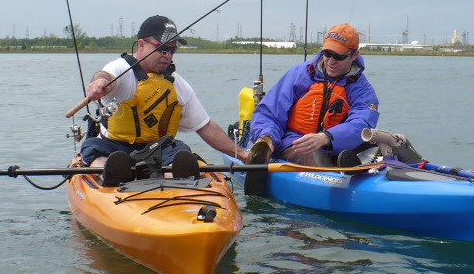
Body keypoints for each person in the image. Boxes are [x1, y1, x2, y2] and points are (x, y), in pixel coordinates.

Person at [79, 15, 249, 172]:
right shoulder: (121, 69)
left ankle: (177, 182)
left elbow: (205, 127)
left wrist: (242, 154)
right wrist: (99, 82)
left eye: (172, 51)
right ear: (141, 45)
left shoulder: (177, 84)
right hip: (115, 147)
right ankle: (109, 175)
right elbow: (106, 76)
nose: (168, 56)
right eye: (162, 49)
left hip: (159, 150)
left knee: (180, 152)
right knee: (93, 148)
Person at [247, 23, 379, 174]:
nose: (330, 61)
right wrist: (267, 138)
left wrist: (326, 138)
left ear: (354, 55)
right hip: (296, 144)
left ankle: (355, 172)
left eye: (338, 56)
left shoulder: (362, 88)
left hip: (337, 146)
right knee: (313, 154)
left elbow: (362, 123)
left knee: (381, 145)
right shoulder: (300, 74)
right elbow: (268, 112)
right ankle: (332, 179)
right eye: (327, 54)